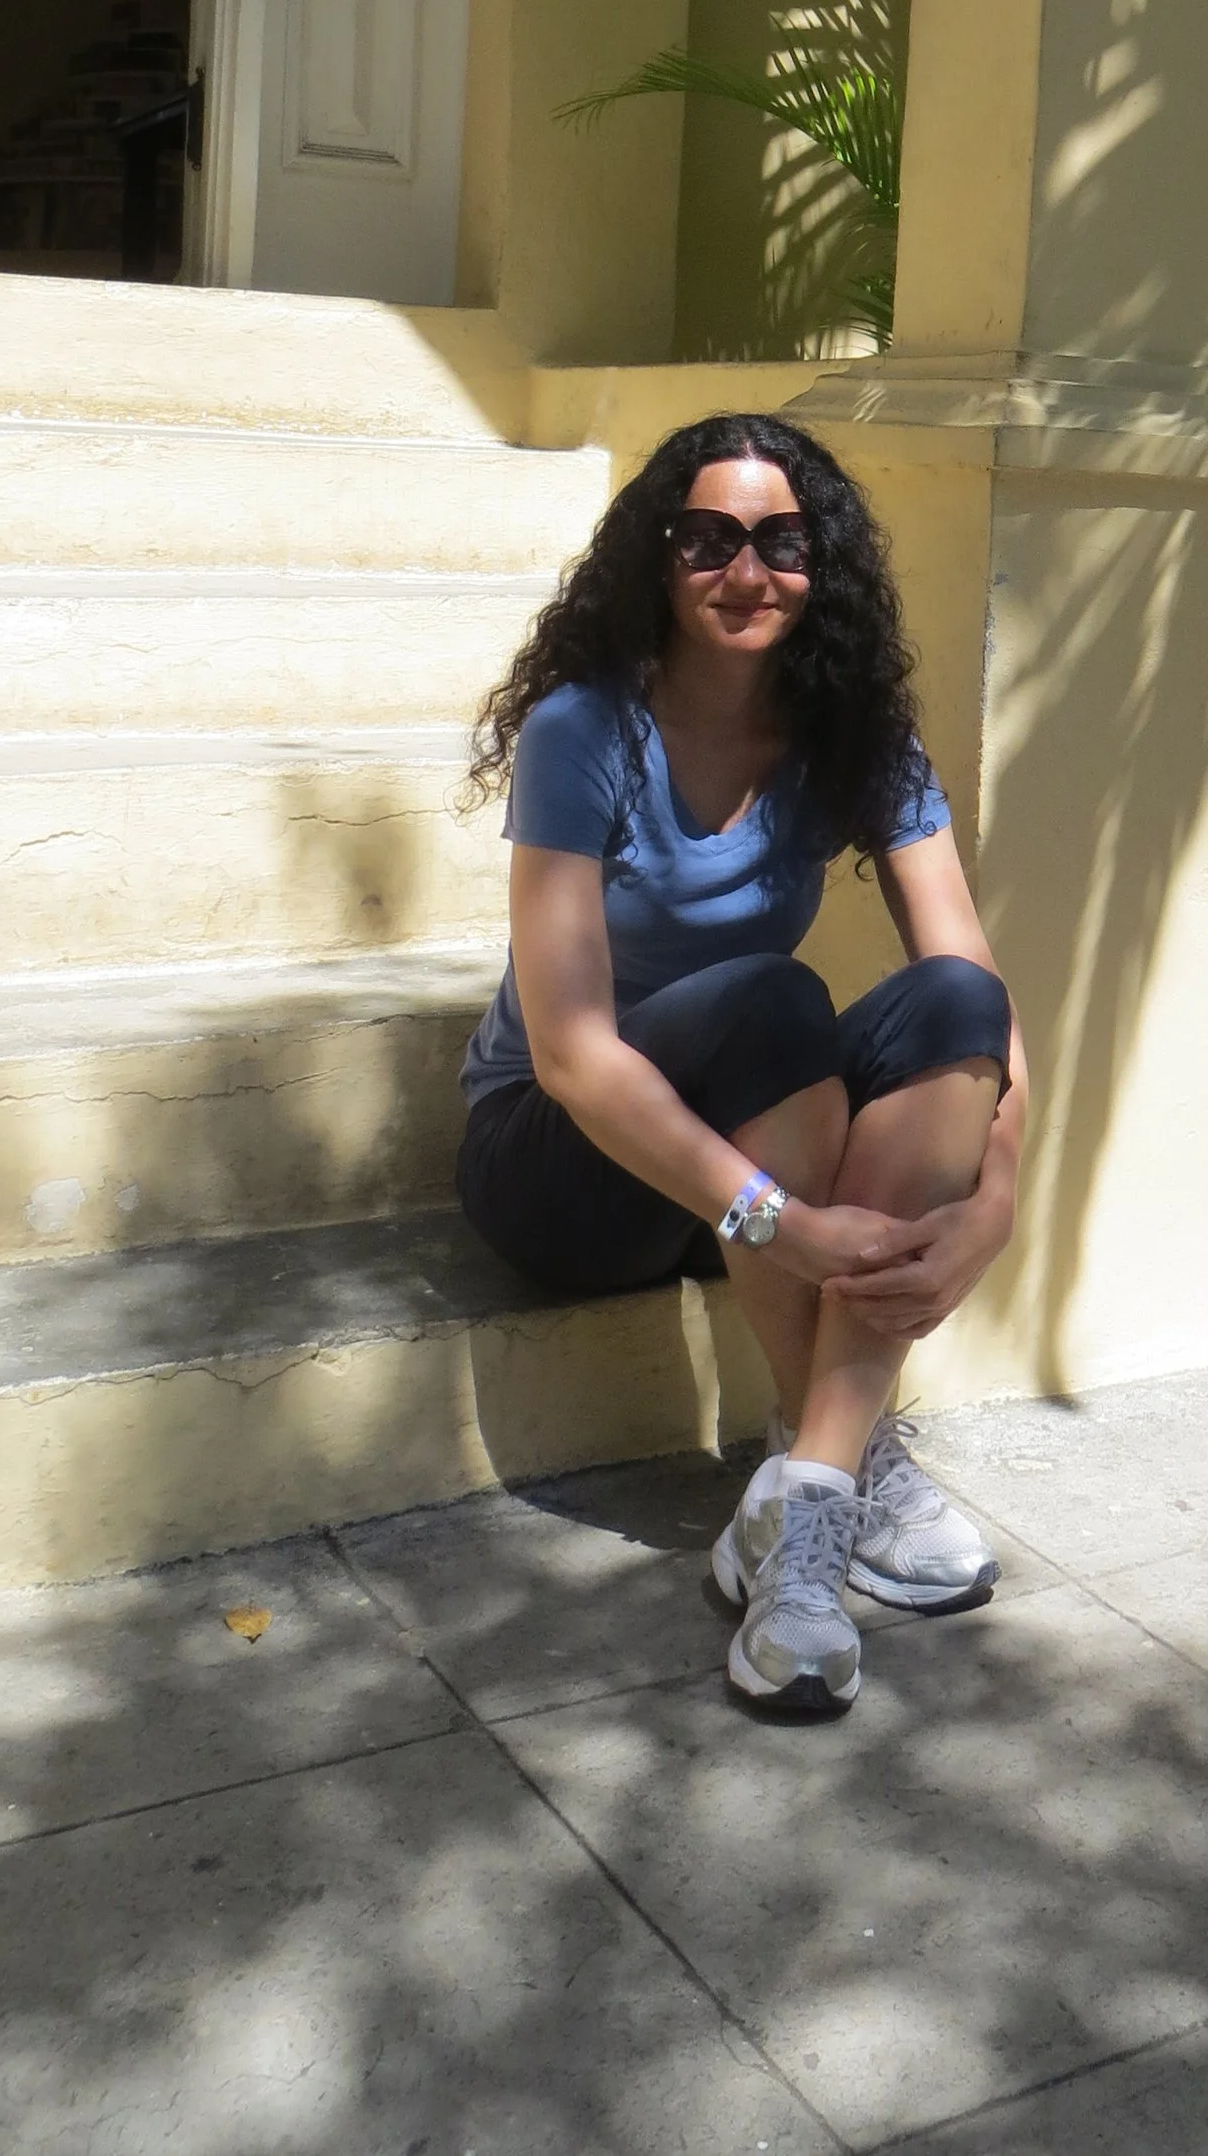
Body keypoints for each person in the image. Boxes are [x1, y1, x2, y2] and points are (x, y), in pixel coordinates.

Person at [455, 413, 1024, 1718]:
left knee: (950, 1004)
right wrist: (782, 1221)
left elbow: (980, 992)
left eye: (781, 541)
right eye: (706, 539)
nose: (744, 571)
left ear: (824, 566)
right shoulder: (584, 729)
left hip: (727, 1162)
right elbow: (570, 1051)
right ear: (657, 560)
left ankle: (807, 1515)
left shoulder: (855, 737)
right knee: (774, 1002)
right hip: (561, 1171)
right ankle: (848, 1450)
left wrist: (994, 1203)